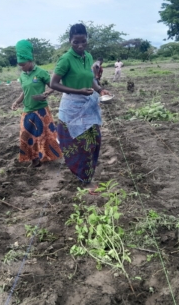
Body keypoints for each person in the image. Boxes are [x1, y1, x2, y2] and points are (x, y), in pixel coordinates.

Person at [50, 23, 111, 194]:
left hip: (89, 104)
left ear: (87, 40)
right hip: (72, 107)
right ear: (70, 41)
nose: (79, 45)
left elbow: (91, 77)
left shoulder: (88, 57)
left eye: (83, 41)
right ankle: (85, 180)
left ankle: (86, 174)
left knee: (94, 141)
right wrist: (78, 91)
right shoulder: (65, 59)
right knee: (82, 143)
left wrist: (100, 90)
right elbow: (54, 84)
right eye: (76, 42)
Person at [11, 40, 62, 167]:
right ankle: (33, 159)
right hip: (27, 110)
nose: (21, 67)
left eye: (23, 64)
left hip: (41, 110)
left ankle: (45, 157)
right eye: (20, 65)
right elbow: (25, 91)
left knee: (45, 136)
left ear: (30, 61)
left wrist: (47, 94)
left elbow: (53, 85)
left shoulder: (41, 72)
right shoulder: (22, 76)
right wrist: (17, 102)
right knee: (26, 135)